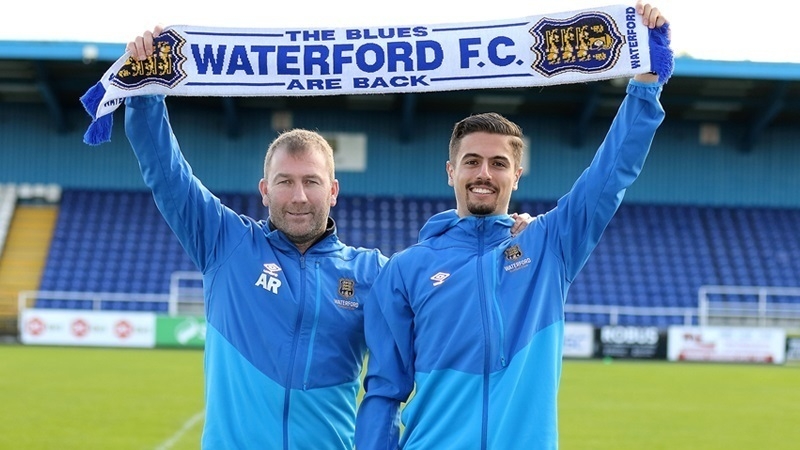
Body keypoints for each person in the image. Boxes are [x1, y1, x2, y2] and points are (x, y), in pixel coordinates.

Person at [123, 26, 533, 450]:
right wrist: (145, 93)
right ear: (264, 190)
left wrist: (500, 231)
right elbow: (165, 173)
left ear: (333, 191)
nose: (299, 196)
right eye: (285, 181)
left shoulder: (373, 272)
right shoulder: (225, 245)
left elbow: (448, 284)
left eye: (312, 182)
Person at [355, 2, 671, 449]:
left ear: (516, 174)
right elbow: (385, 390)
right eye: (472, 162)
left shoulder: (548, 247)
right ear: (451, 171)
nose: (484, 173)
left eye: (499, 163)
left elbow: (611, 174)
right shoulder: (405, 270)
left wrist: (645, 87)